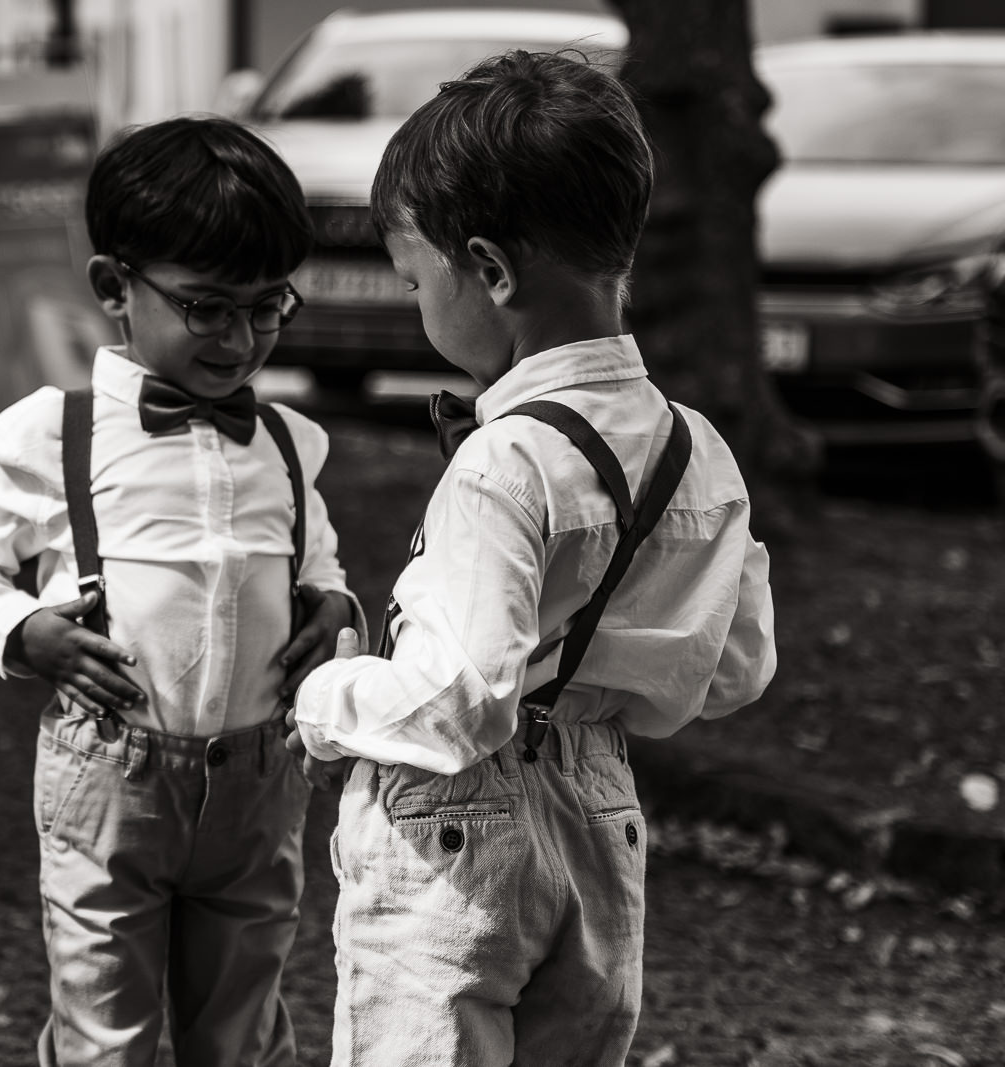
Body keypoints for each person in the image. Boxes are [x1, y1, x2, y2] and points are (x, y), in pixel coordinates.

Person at [288, 51, 778, 1067]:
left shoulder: (504, 460)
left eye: (419, 278)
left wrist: (324, 696)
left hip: (458, 833)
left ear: (490, 270)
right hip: (601, 816)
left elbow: (456, 703)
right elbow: (735, 669)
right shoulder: (699, 448)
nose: (419, 302)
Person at [0, 116, 364, 1067]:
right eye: (207, 307)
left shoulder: (290, 442)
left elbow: (315, 563)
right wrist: (20, 626)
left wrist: (334, 611)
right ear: (116, 287)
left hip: (260, 781)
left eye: (266, 305)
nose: (241, 337)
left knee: (242, 1023)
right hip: (111, 779)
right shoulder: (54, 432)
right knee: (104, 1029)